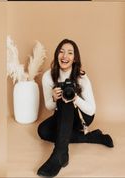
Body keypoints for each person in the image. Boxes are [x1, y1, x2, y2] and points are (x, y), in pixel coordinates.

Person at [37, 39, 113, 177]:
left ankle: (60, 154)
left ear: (74, 58)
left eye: (70, 53)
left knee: (67, 103)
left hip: (81, 117)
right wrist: (54, 98)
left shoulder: (81, 77)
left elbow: (91, 110)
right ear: (56, 55)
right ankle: (92, 137)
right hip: (62, 115)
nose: (65, 56)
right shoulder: (48, 76)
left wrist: (75, 98)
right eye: (61, 52)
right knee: (43, 130)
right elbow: (49, 106)